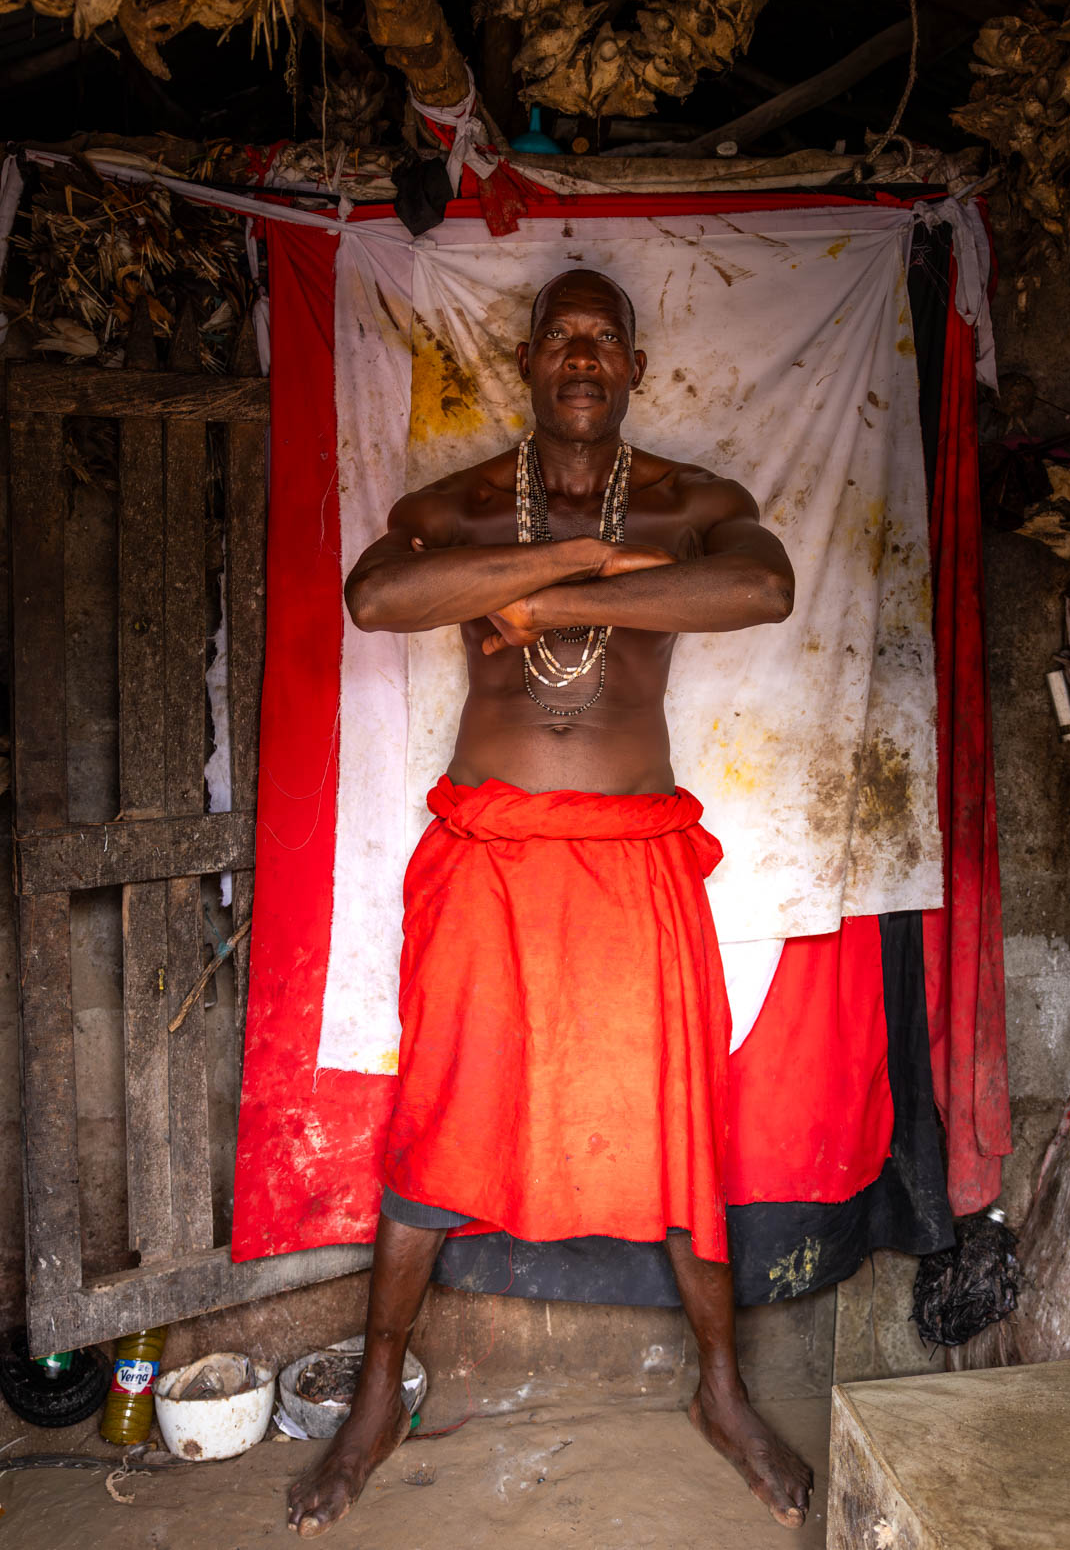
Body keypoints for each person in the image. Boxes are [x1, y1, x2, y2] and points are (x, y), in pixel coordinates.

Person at [287, 268, 810, 1536]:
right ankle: (372, 1399)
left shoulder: (692, 502)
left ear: (635, 363)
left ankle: (722, 1393)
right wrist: (569, 548)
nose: (581, 355)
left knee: (679, 1127)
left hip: (634, 853)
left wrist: (553, 596)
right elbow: (374, 597)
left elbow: (761, 588)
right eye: (560, 337)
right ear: (527, 360)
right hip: (492, 853)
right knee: (438, 1117)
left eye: (603, 339)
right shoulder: (463, 506)